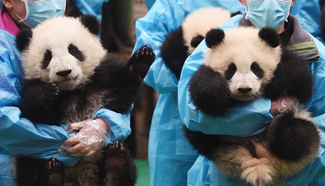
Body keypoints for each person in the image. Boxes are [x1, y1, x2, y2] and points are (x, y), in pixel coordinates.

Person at [178, 0, 325, 185]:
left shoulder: (317, 55)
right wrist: (269, 110)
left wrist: (289, 173)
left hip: (290, 169)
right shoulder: (217, 43)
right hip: (227, 171)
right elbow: (192, 115)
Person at [0, 1, 131, 185]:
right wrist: (73, 141)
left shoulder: (73, 30)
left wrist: (105, 125)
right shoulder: (3, 46)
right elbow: (5, 123)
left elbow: (115, 93)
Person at [132, 0, 245, 185]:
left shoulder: (254, 6)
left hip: (236, 127)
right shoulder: (173, 4)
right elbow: (145, 61)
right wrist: (191, 77)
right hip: (177, 126)